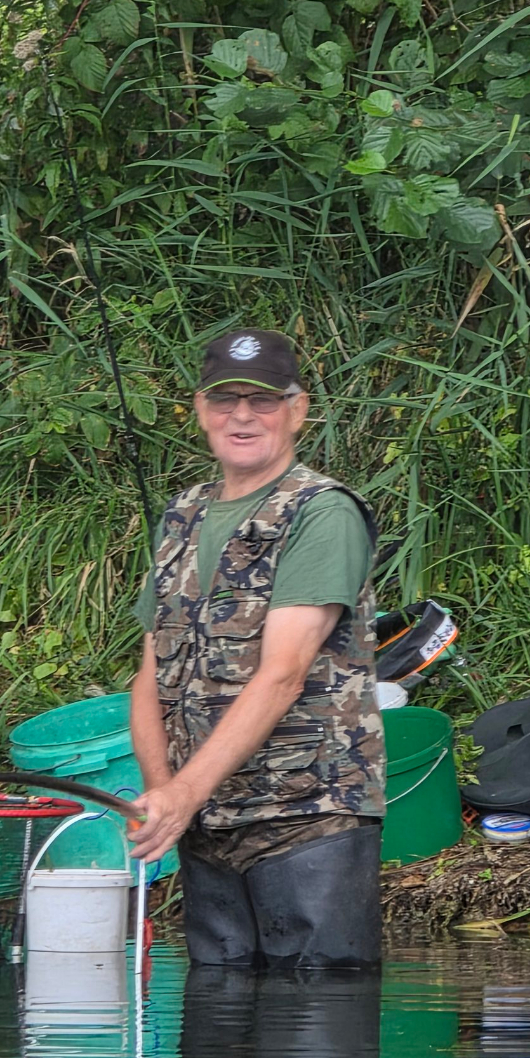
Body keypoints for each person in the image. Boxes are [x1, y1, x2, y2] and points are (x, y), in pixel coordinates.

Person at [128, 329, 384, 969]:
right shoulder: (181, 514)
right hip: (208, 827)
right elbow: (148, 674)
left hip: (307, 820)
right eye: (226, 399)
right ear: (199, 409)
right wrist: (166, 798)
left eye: (263, 400)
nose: (242, 415)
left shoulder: (322, 513)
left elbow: (283, 676)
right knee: (215, 1043)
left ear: (297, 411)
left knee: (314, 1034)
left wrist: (182, 793)